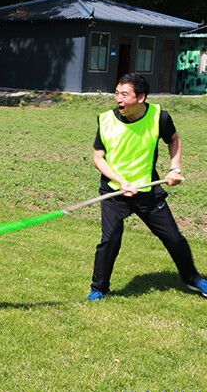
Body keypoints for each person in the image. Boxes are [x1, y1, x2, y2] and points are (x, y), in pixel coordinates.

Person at [88, 72, 207, 301]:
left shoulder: (159, 117)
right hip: (114, 192)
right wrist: (121, 182)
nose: (118, 99)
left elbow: (174, 139)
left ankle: (192, 278)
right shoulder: (106, 121)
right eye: (116, 93)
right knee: (110, 239)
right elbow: (98, 158)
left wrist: (175, 168)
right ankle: (99, 288)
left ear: (141, 97)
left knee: (173, 238)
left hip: (148, 192)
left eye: (124, 94)